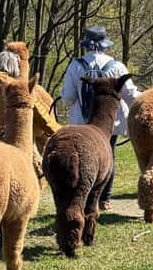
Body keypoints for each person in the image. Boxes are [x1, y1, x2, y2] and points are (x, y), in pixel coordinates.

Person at [60, 25, 141, 210]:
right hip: (109, 122)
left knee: (81, 157)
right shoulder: (117, 67)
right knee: (108, 156)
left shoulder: (75, 65)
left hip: (82, 124)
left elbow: (68, 97)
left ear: (86, 45)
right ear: (105, 45)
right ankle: (105, 198)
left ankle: (83, 195)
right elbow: (131, 95)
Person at [0, 50, 60, 154]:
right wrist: (62, 131)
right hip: (5, 148)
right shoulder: (20, 89)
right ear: (16, 69)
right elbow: (45, 120)